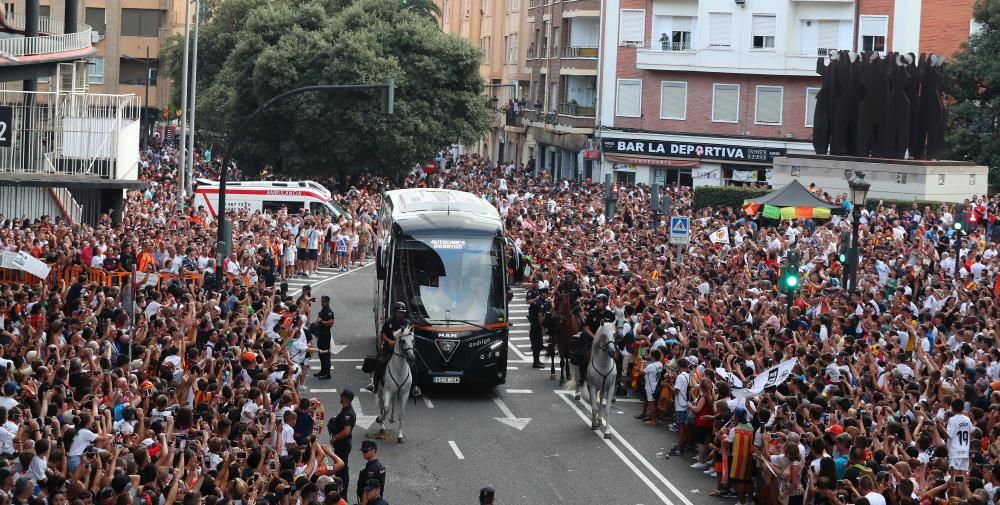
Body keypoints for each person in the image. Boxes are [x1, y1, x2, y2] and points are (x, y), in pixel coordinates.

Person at [366, 302, 421, 398]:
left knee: (413, 366)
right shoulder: (388, 322)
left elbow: (410, 336)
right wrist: (389, 341)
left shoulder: (406, 323)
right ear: (395, 312)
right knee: (379, 362)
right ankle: (374, 385)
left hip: (403, 350)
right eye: (399, 312)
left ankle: (414, 387)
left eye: (402, 312)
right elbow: (382, 334)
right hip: (389, 348)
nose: (401, 314)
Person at [328, 389, 356, 493]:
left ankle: (343, 492)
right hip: (342, 444)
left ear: (345, 398)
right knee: (340, 468)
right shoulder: (345, 411)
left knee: (342, 468)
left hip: (343, 445)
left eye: (342, 396)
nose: (340, 398)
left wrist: (335, 438)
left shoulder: (348, 413)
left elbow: (346, 431)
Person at [527, 280, 551, 368]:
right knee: (537, 346)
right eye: (546, 293)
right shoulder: (540, 303)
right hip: (536, 327)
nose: (547, 295)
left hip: (534, 326)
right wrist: (542, 328)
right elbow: (540, 317)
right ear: (542, 293)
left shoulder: (540, 301)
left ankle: (536, 361)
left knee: (537, 345)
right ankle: (536, 362)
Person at [314, 295, 336, 380]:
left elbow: (331, 322)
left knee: (325, 354)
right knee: (321, 353)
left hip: (325, 334)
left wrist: (321, 321)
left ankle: (327, 373)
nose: (322, 303)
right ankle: (323, 371)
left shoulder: (329, 311)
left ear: (327, 302)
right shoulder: (323, 310)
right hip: (321, 334)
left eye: (324, 301)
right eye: (322, 301)